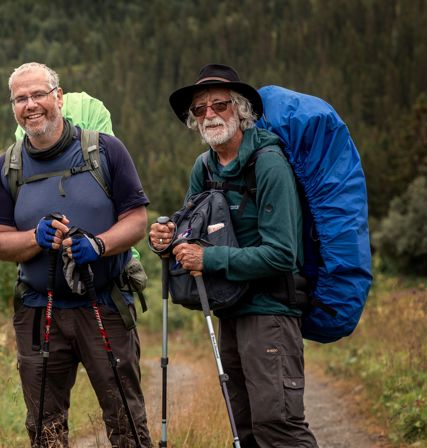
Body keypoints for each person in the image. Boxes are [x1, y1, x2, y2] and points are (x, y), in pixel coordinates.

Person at [151, 64, 318, 447]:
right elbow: (189, 231)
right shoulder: (204, 167)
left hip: (270, 312)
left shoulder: (269, 164)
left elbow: (281, 255)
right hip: (229, 309)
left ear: (241, 110)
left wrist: (207, 260)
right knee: (242, 427)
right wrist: (165, 240)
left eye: (220, 104)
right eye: (199, 109)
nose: (209, 114)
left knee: (278, 425)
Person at [0, 62, 152, 447]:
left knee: (125, 420)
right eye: (20, 99)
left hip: (104, 304)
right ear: (13, 107)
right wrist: (35, 238)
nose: (30, 105)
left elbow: (137, 220)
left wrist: (99, 245)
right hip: (38, 310)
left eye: (38, 94)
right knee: (45, 427)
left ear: (58, 97)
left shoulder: (106, 150)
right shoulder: (7, 167)